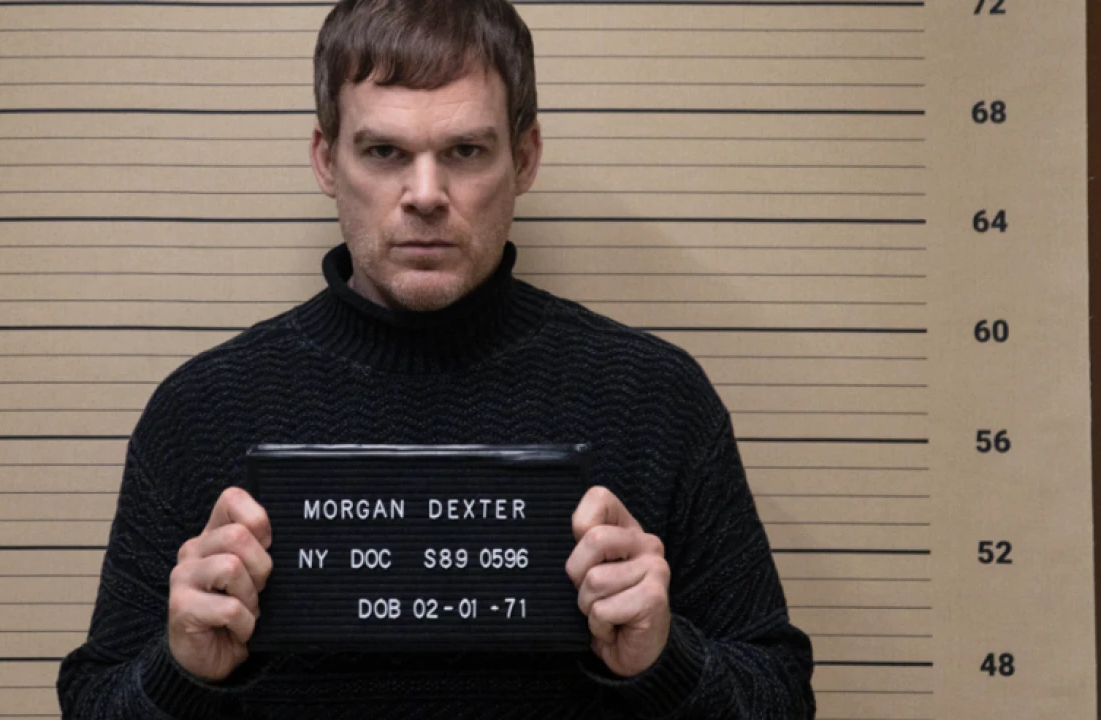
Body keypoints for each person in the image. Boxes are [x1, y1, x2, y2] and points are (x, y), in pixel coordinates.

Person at [57, 0, 816, 717]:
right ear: (326, 161)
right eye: (384, 151)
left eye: (465, 151)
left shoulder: (655, 398)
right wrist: (181, 669)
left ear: (525, 158)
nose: (425, 194)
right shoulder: (201, 409)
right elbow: (92, 700)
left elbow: (781, 696)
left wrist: (665, 658)